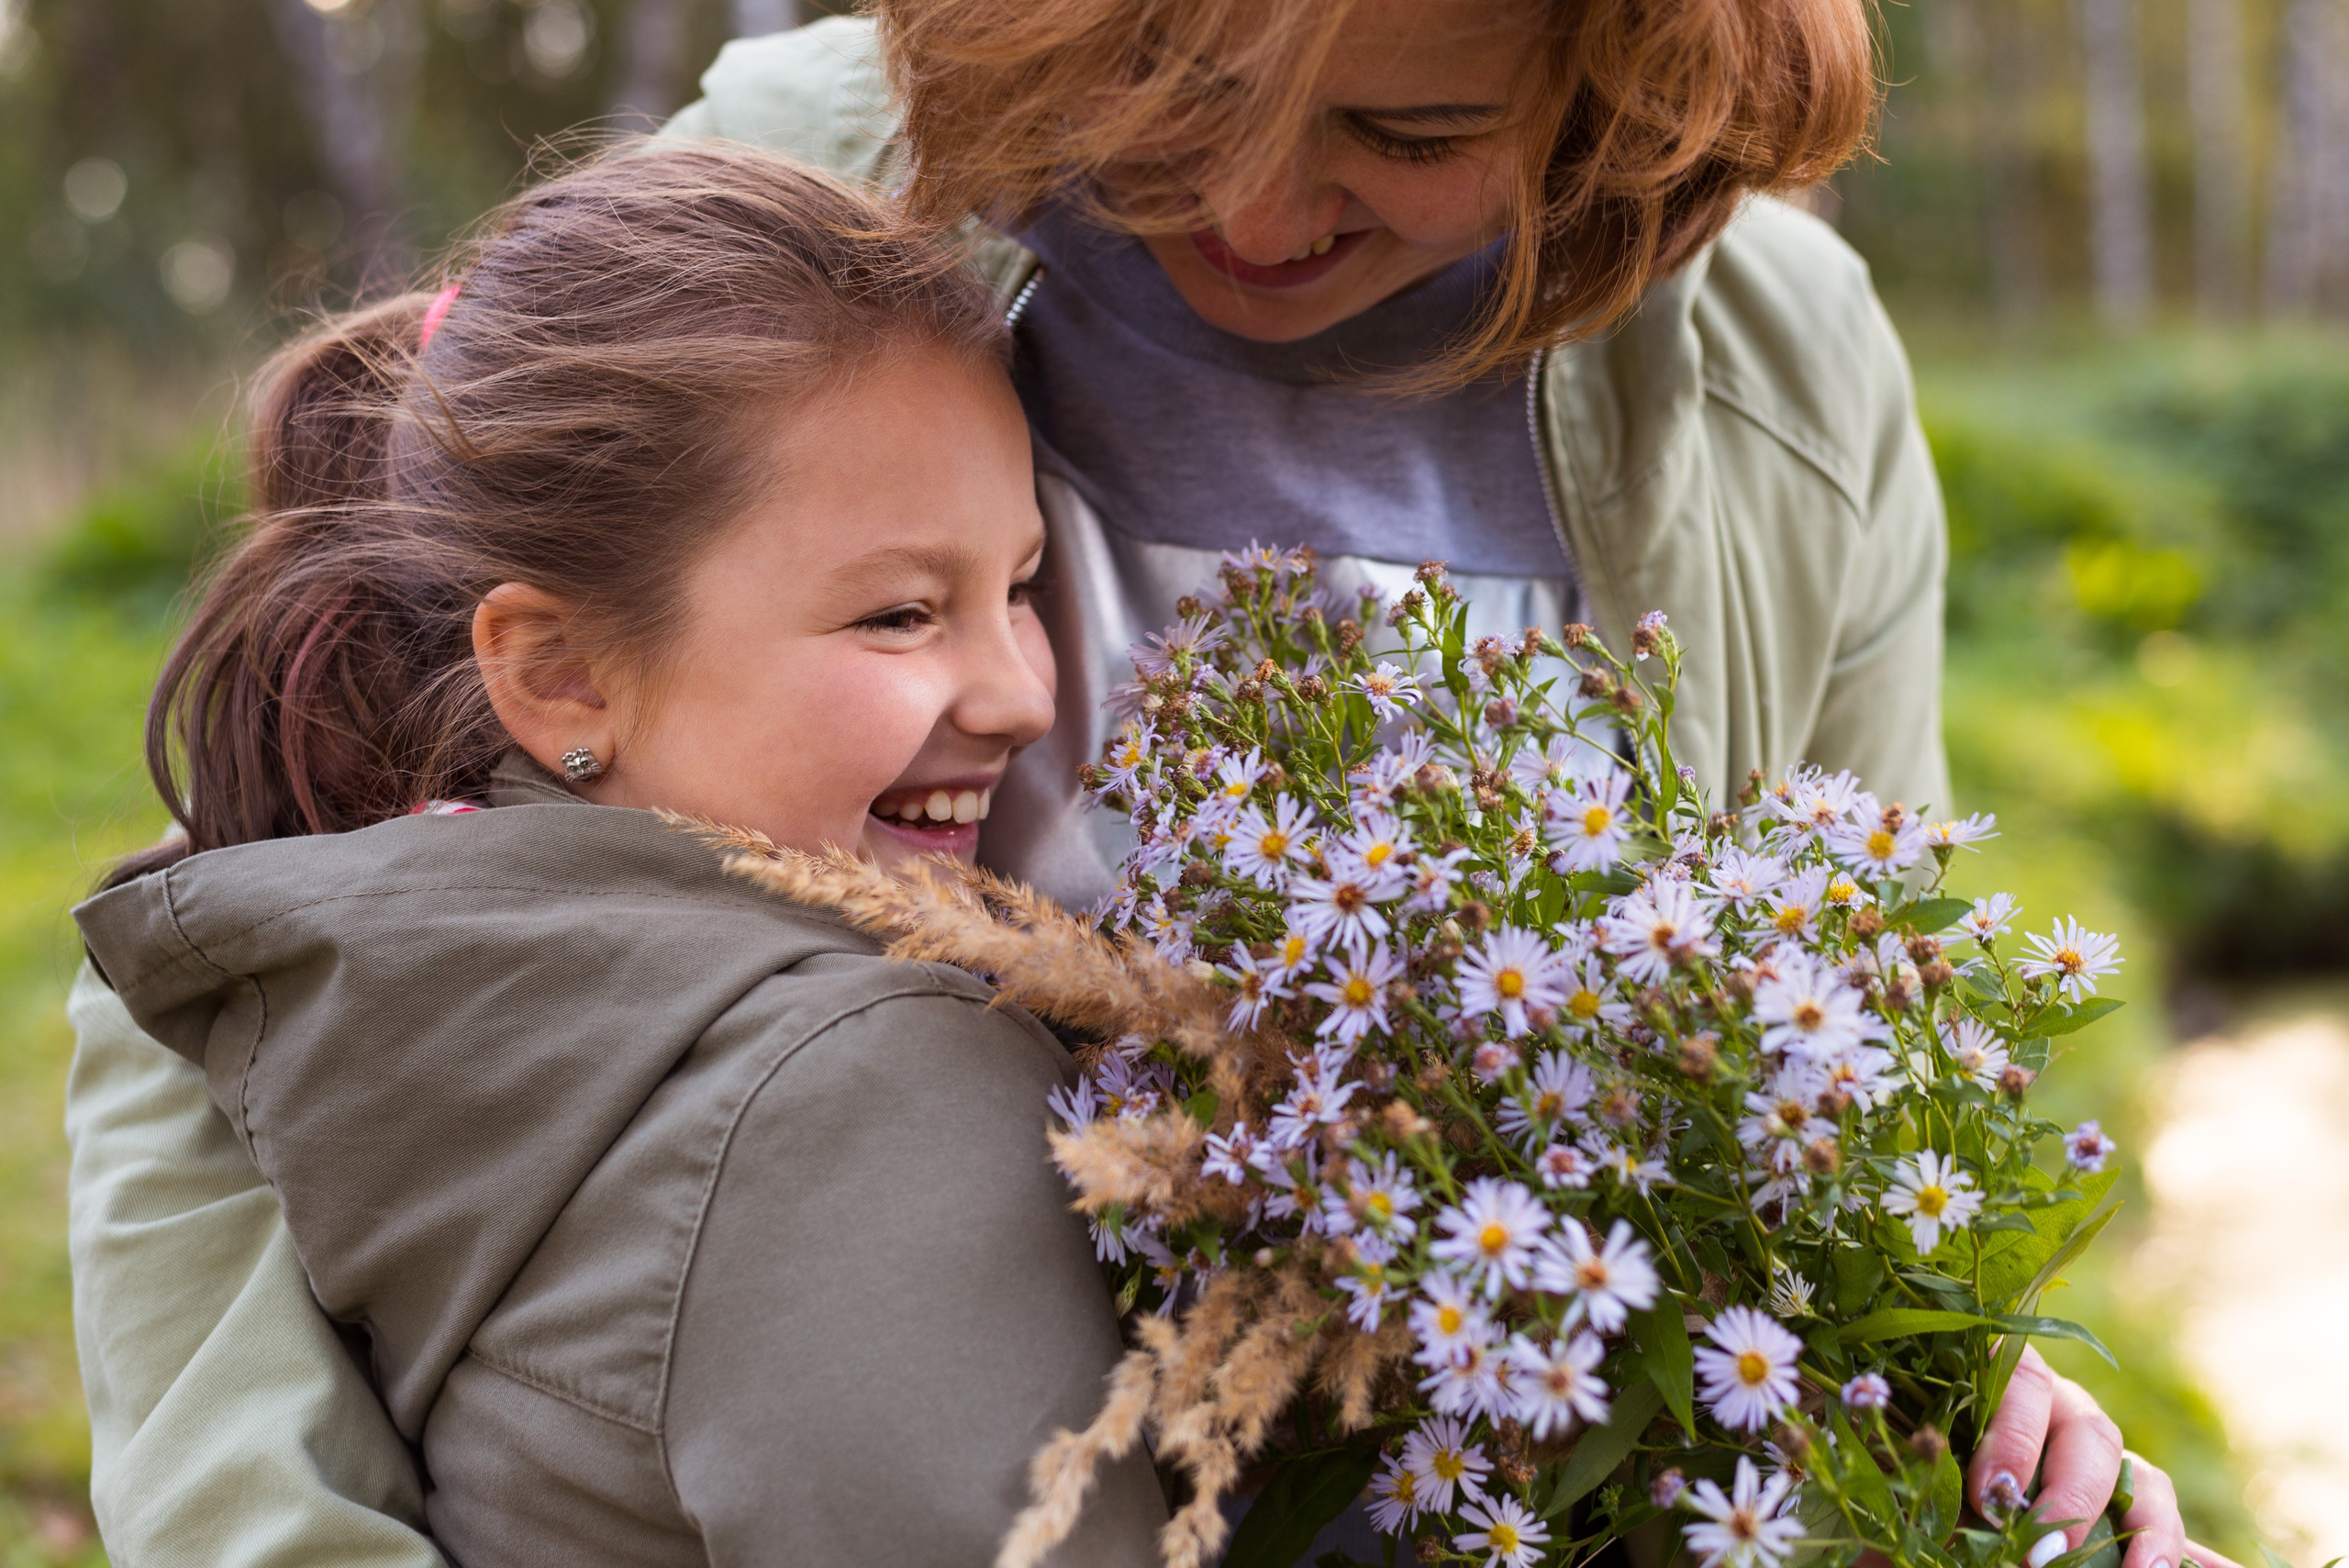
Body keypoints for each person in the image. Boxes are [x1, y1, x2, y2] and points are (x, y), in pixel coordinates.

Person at [64, 1, 2224, 1563]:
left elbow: (1835, 1060)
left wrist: (1959, 1414)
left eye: (1404, 123)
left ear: (1617, 72)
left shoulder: (1775, 369)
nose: (1262, 206)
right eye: (1172, 91)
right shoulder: (838, 167)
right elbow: (280, 876)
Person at [68, 142, 1162, 1565]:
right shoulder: (868, 1091)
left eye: (1019, 585)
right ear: (566, 672)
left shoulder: (416, 970)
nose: (1022, 691)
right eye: (898, 614)